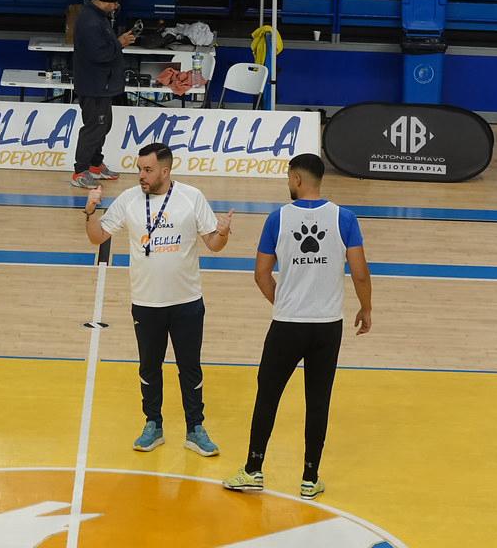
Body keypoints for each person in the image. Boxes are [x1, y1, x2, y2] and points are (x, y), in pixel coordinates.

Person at [222, 153, 372, 500]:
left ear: (297, 180)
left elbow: (261, 274)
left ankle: (253, 469)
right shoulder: (345, 218)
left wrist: (285, 302)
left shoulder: (277, 219)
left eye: (289, 177)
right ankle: (309, 478)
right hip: (327, 325)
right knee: (318, 400)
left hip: (287, 325)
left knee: (268, 396)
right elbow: (360, 272)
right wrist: (366, 308)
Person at [83, 143, 233, 456]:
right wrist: (90, 212)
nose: (142, 175)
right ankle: (153, 424)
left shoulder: (191, 197)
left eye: (148, 170)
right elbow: (98, 237)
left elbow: (214, 245)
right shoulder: (129, 200)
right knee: (149, 367)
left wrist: (223, 232)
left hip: (187, 301)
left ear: (165, 170)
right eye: (139, 169)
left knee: (190, 367)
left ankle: (195, 428)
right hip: (146, 302)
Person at [70, 0, 136, 189]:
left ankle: (95, 165)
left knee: (103, 124)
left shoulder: (98, 18)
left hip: (102, 85)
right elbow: (99, 54)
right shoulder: (90, 21)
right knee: (94, 127)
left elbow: (104, 47)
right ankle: (80, 171)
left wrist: (117, 42)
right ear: (105, 1)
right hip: (93, 85)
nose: (116, 6)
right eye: (115, 2)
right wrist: (120, 43)